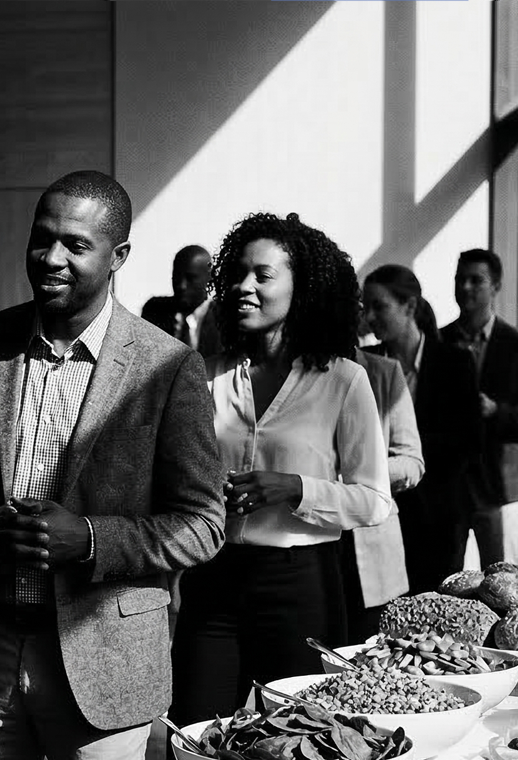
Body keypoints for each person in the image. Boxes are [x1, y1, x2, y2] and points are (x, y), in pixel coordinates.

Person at [0, 172, 227, 759]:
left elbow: (204, 524)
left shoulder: (166, 366)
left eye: (76, 244)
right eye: (41, 238)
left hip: (105, 665)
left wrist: (92, 538)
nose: (51, 258)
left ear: (118, 255)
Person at [170, 212, 393, 722]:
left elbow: (375, 500)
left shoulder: (343, 381)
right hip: (214, 577)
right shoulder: (205, 375)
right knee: (192, 731)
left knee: (301, 739)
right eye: (238, 275)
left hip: (301, 585)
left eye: (263, 276)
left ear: (303, 288)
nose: (243, 287)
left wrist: (294, 488)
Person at [361, 264, 482, 593]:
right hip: (381, 516)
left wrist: (404, 454)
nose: (369, 317)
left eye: (379, 306)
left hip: (439, 514)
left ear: (410, 306)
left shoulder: (454, 362)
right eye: (365, 307)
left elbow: (467, 439)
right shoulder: (362, 365)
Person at [440, 248, 518, 568]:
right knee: (446, 575)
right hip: (453, 484)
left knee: (503, 579)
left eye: (476, 280)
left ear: (496, 286)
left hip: (502, 485)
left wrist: (496, 411)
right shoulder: (439, 340)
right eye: (460, 279)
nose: (465, 288)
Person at [343, 348, 423, 642]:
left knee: (369, 664)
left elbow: (412, 462)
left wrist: (348, 474)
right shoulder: (295, 369)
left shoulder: (385, 371)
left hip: (373, 551)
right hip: (309, 546)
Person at [140, 244, 213, 347]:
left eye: (191, 278)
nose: (182, 285)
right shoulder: (156, 311)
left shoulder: (221, 317)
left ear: (209, 279)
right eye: (177, 276)